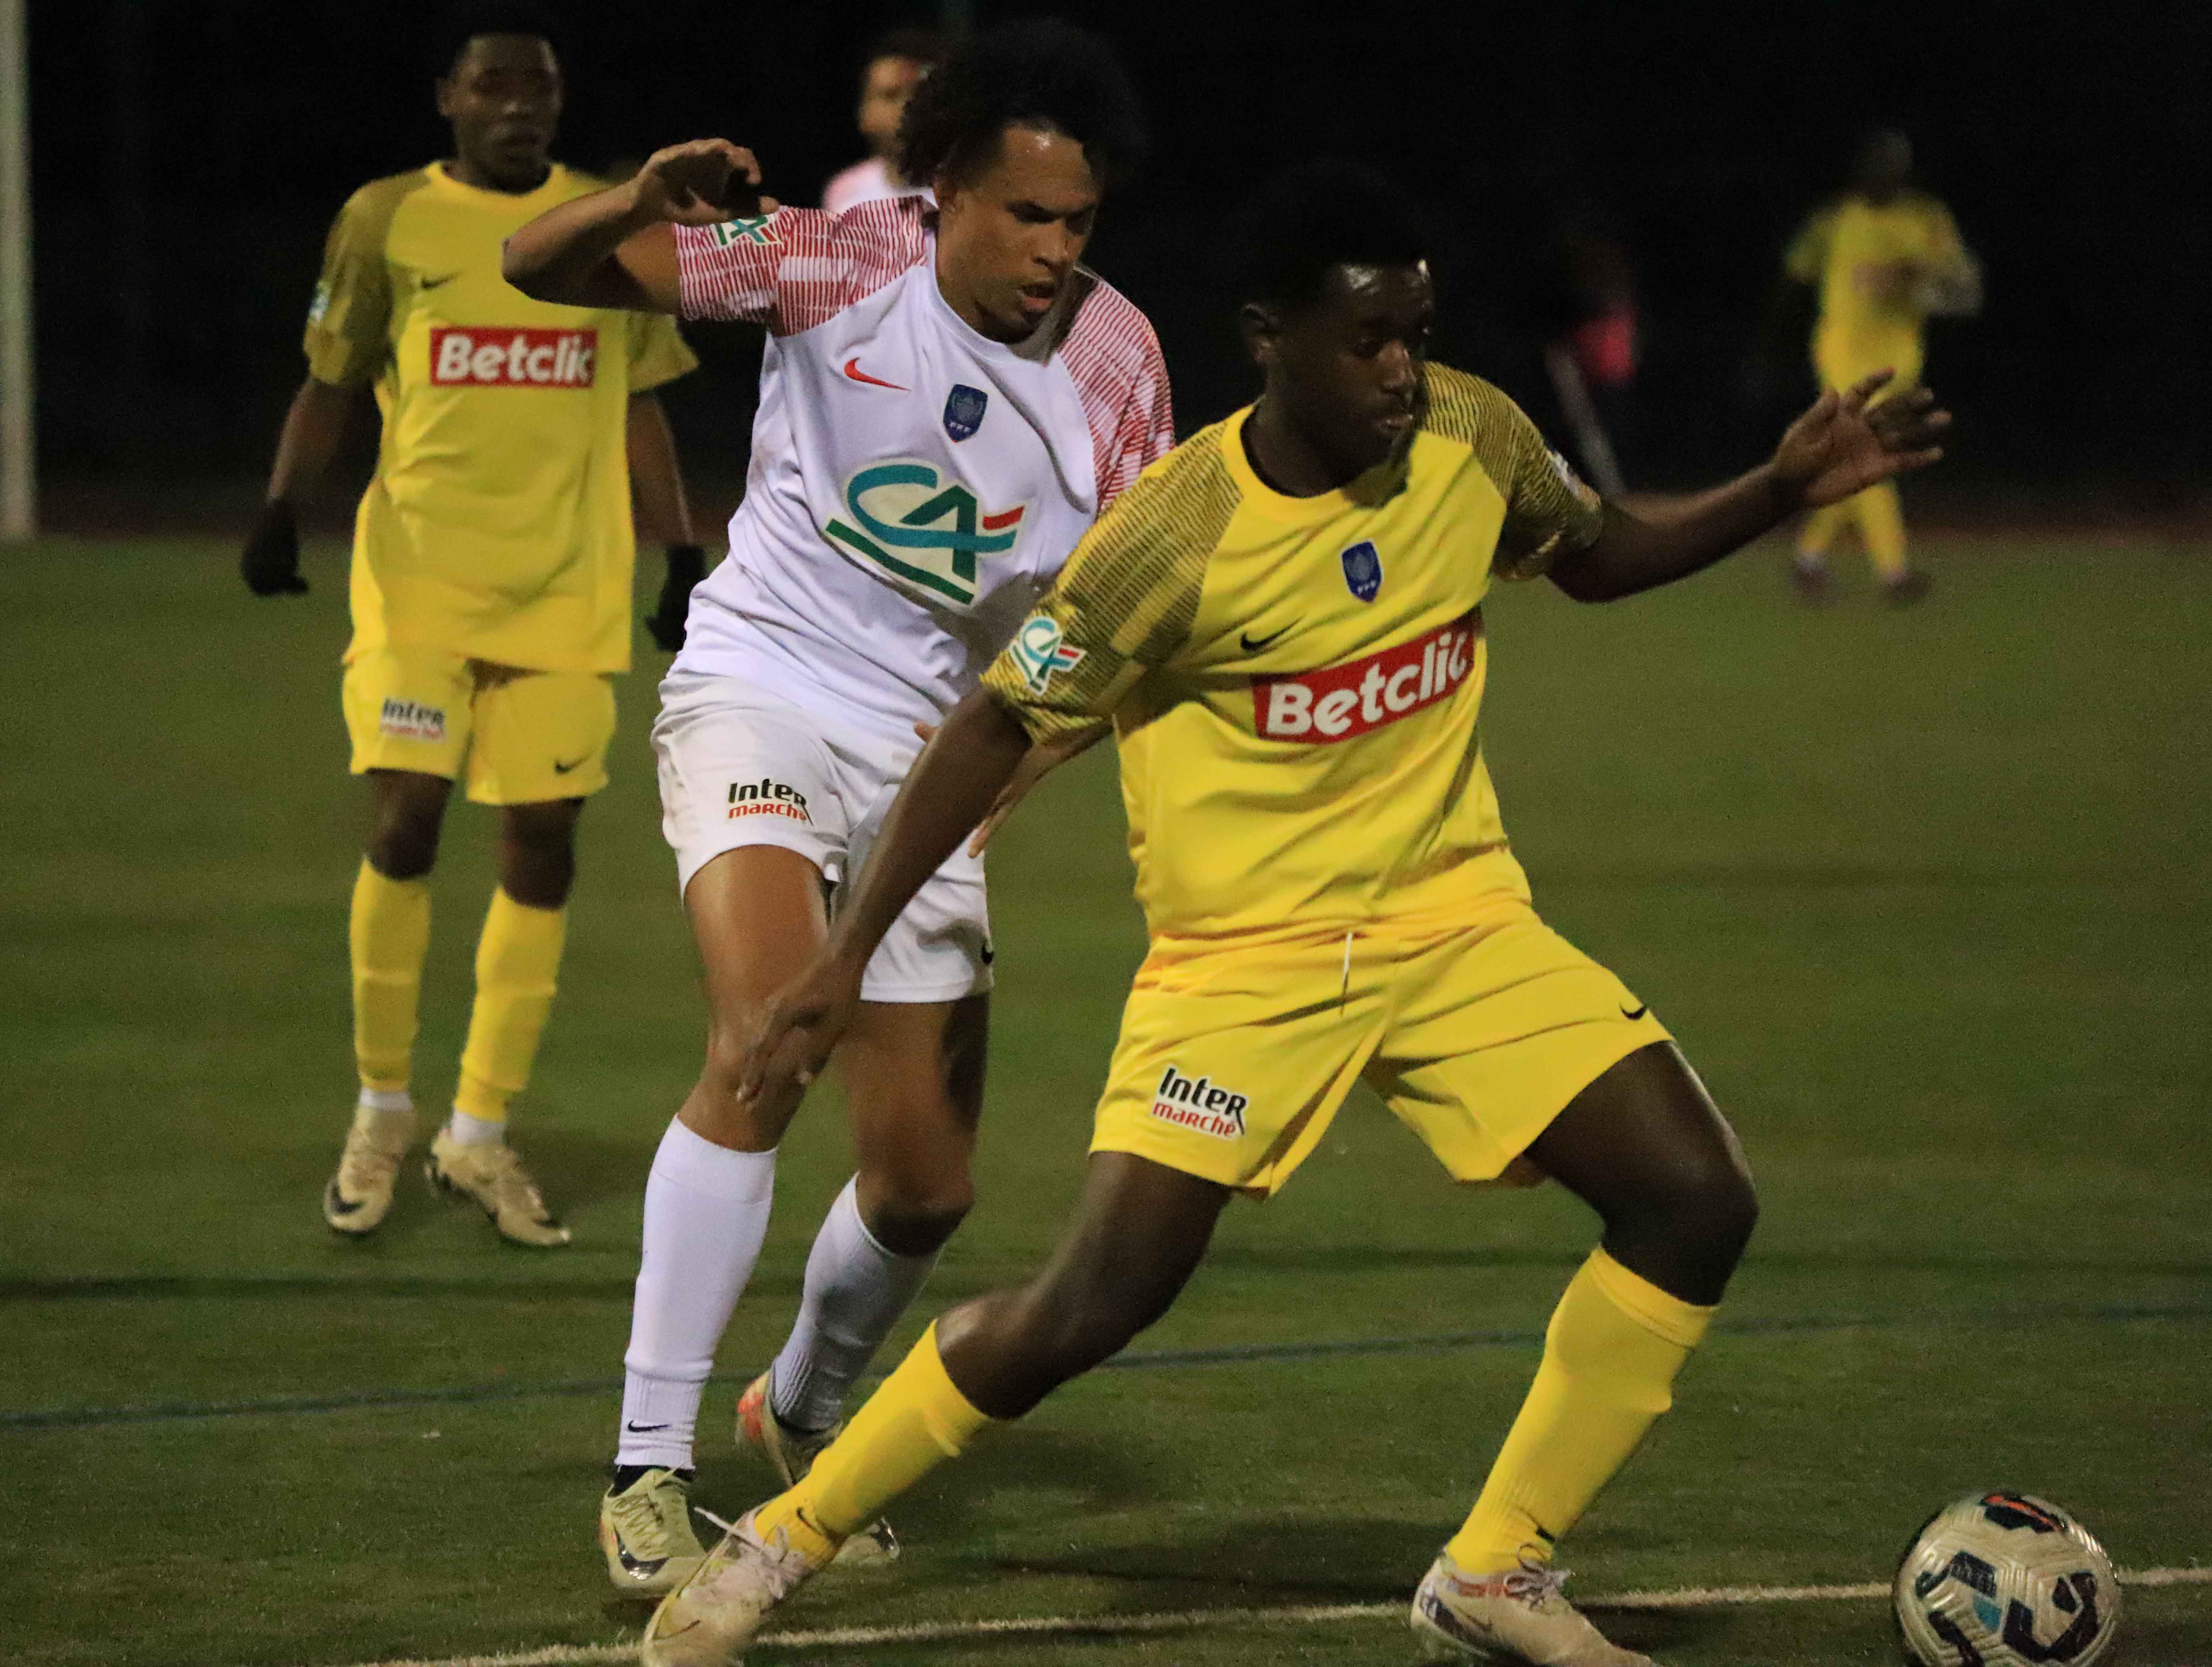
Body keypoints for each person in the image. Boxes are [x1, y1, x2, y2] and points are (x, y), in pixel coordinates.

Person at [653, 161, 1952, 1667]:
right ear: (1269, 336)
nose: (1402, 368)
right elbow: (996, 726)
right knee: (1093, 1300)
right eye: (1368, 340)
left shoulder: (1473, 436)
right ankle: (776, 1543)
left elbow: (1594, 558)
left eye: (1414, 330)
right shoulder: (1175, 533)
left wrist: (1779, 490)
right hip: (1241, 966)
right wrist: (842, 958)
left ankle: (1493, 1575)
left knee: (1694, 1198)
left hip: (1456, 921)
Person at [499, 20, 1171, 1601]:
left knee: (928, 1184)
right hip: (760, 683)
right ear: (942, 191)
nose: (1056, 251)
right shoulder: (818, 258)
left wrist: (1012, 766)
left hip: (937, 745)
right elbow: (547, 269)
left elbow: (1114, 616)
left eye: (1081, 222)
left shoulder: (1119, 363)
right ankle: (647, 1468)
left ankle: (802, 1405)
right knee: (765, 1032)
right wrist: (623, 202)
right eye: (1028, 215)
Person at [240, 3, 704, 1250]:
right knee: (405, 813)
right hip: (420, 582)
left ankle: (479, 1130)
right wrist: (285, 509)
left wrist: (681, 548)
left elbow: (643, 400)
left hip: (565, 588)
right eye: (495, 83)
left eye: (540, 88)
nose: (521, 104)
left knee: (543, 840)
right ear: (447, 96)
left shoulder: (612, 220)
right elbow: (332, 376)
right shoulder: (387, 216)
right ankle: (383, 1106)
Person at [1782, 128, 1978, 603]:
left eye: (1895, 166)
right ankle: (1894, 574)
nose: (1886, 175)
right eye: (1878, 165)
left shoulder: (1925, 219)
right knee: (1869, 451)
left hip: (1899, 359)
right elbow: (1794, 276)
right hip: (1843, 352)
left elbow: (1963, 282)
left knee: (1858, 457)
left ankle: (1808, 556)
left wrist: (1922, 278)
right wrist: (1772, 347)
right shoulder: (1836, 219)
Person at [822, 28, 943, 214]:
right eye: (891, 95)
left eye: (919, 93)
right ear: (864, 112)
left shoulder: (966, 194)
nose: (908, 106)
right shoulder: (845, 191)